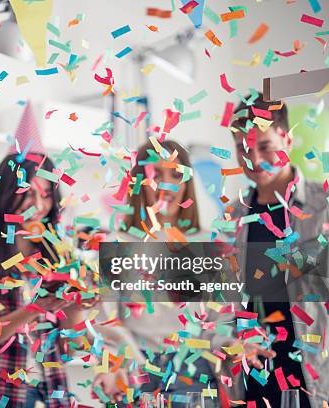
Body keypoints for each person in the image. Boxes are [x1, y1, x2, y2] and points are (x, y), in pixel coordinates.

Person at [229, 93, 329, 407]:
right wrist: (231, 340)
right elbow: (221, 303)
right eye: (243, 149)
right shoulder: (233, 217)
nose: (254, 159)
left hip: (321, 377)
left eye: (265, 147)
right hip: (255, 379)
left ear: (288, 140)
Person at [94, 140, 225, 406]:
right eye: (156, 176)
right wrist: (128, 364)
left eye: (176, 175)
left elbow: (220, 322)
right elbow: (107, 323)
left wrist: (233, 346)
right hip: (135, 371)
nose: (167, 185)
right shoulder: (116, 244)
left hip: (195, 373)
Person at [0, 153, 87, 407]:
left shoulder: (57, 251)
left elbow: (69, 347)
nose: (37, 206)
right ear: (5, 192)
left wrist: (79, 307)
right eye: (27, 193)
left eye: (46, 194)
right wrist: (34, 310)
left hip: (51, 391)